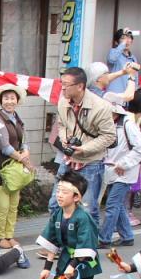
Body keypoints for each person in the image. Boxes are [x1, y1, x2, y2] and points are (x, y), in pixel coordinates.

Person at [36, 171, 102, 279]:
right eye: (58, 190)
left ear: (76, 197)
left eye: (64, 192)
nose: (59, 195)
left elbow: (86, 246)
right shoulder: (57, 214)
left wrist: (72, 266)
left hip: (83, 266)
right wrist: (46, 268)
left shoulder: (83, 218)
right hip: (65, 260)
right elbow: (52, 242)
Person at [51, 67, 116, 224]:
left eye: (66, 84)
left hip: (90, 162)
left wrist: (84, 148)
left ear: (80, 86)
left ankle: (89, 239)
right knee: (55, 204)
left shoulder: (101, 106)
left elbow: (109, 136)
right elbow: (61, 124)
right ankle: (59, 236)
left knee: (87, 209)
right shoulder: (63, 101)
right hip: (68, 159)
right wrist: (64, 139)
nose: (63, 88)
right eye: (61, 83)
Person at [0, 83, 33, 266]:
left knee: (14, 204)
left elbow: (24, 141)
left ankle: (9, 234)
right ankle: (0, 236)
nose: (9, 101)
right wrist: (23, 159)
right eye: (6, 98)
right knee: (3, 204)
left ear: (17, 100)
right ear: (1, 101)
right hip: (0, 168)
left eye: (12, 98)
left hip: (15, 169)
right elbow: (4, 146)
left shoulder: (18, 119)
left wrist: (26, 153)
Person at [99, 94, 141, 247]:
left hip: (124, 172)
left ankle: (104, 238)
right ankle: (127, 236)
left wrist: (123, 164)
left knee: (112, 205)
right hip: (113, 170)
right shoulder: (112, 123)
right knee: (118, 205)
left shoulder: (128, 124)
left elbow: (140, 148)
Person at [106, 28, 139, 95]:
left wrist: (133, 91)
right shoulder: (113, 52)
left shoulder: (133, 58)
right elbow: (111, 59)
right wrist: (123, 44)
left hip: (127, 96)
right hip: (114, 94)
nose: (127, 40)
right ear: (116, 42)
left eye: (129, 37)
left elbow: (135, 77)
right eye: (123, 38)